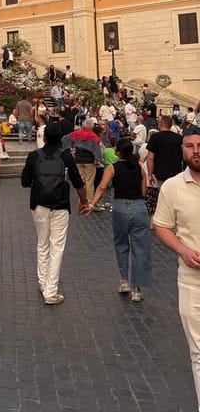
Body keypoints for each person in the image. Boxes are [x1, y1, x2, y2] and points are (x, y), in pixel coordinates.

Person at [154, 125, 200, 408]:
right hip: (192, 283)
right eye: (190, 146)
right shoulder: (171, 187)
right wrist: (182, 250)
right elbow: (161, 226)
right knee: (199, 354)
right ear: (182, 150)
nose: (197, 151)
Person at [21, 122, 86, 305]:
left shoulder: (34, 156)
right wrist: (84, 202)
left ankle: (43, 282)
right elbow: (78, 182)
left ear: (44, 137)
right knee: (57, 247)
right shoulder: (65, 157)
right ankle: (51, 291)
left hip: (39, 205)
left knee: (42, 244)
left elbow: (25, 182)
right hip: (60, 205)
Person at [85, 138, 152, 301]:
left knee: (121, 244)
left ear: (117, 152)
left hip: (120, 207)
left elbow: (102, 187)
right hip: (139, 207)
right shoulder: (139, 168)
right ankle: (137, 288)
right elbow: (144, 191)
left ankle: (124, 281)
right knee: (140, 247)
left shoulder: (112, 168)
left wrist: (92, 205)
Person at [146, 115, 183, 191]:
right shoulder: (179, 138)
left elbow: (150, 158)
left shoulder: (155, 137)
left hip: (160, 173)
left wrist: (149, 175)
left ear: (161, 124)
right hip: (176, 173)